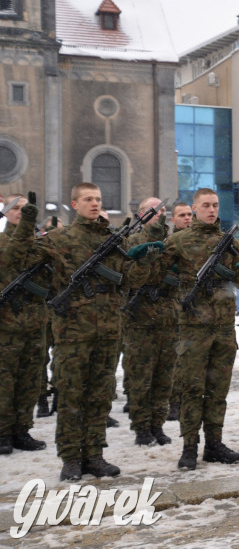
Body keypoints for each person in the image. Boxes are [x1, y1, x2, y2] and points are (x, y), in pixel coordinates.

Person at [9, 184, 160, 481]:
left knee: (100, 396)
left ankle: (94, 454)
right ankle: (70, 458)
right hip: (73, 332)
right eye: (88, 199)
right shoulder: (60, 238)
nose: (95, 204)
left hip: (108, 330)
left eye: (99, 199)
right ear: (75, 204)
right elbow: (19, 257)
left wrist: (147, 256)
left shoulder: (113, 239)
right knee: (72, 396)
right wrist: (27, 220)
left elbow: (131, 280)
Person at [160, 188, 239, 471]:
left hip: (222, 327)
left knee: (218, 390)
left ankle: (214, 444)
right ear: (194, 209)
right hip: (193, 326)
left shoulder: (228, 242)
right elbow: (155, 276)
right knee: (192, 389)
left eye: (215, 205)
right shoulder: (178, 241)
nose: (211, 210)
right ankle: (189, 446)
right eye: (206, 205)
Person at [122, 197, 178, 446]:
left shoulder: (172, 242)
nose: (160, 214)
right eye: (155, 211)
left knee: (164, 378)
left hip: (168, 318)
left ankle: (158, 423)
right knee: (140, 378)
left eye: (164, 210)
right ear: (142, 214)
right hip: (141, 320)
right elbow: (131, 279)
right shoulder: (132, 241)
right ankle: (141, 427)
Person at [0, 195, 50, 455]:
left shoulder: (41, 243)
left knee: (30, 380)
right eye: (16, 209)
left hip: (34, 322)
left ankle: (21, 429)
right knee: (4, 381)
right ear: (7, 213)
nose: (21, 213)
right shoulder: (1, 241)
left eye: (26, 209)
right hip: (6, 325)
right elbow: (12, 260)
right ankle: (2, 432)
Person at [165, 201, 193, 423]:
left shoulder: (198, 242)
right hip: (172, 309)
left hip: (196, 311)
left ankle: (187, 399)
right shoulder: (169, 244)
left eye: (189, 214)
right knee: (174, 360)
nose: (187, 218)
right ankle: (173, 402)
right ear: (173, 220)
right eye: (182, 215)